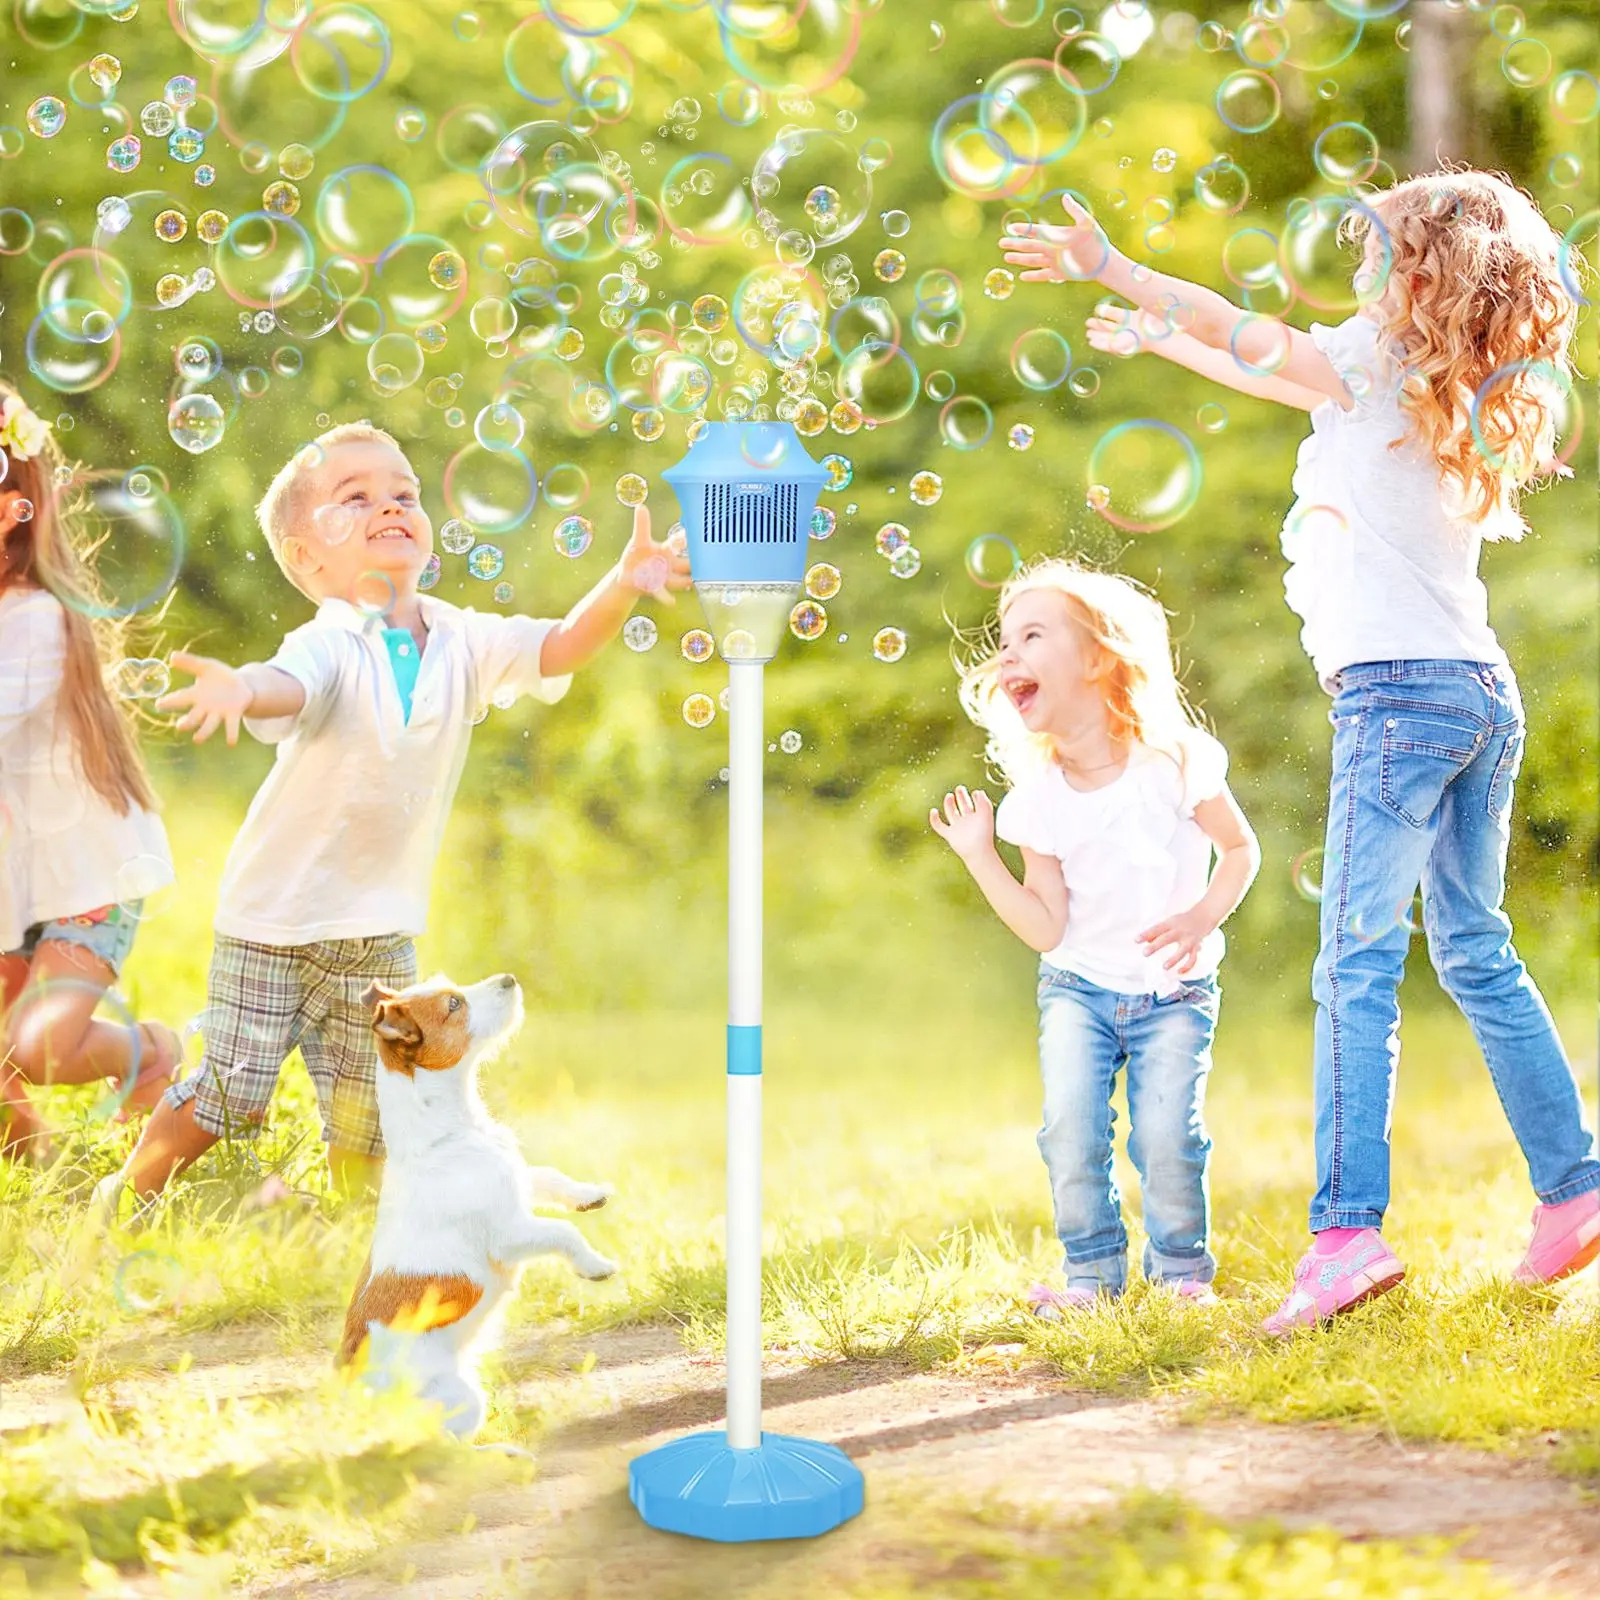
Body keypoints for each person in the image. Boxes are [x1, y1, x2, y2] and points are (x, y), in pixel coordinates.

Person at [1001, 168, 1600, 1331]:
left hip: (1394, 701)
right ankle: (1575, 1191)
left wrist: (1118, 269)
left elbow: (1252, 333)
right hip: (1479, 695)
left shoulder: (1372, 367)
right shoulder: (1431, 385)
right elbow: (1262, 364)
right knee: (1474, 949)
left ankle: (1344, 1233)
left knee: (1354, 966)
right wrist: (1160, 338)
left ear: (1422, 274)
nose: (1360, 267)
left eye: (1379, 251)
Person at [100, 420, 688, 1208]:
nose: (391, 505)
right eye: (357, 496)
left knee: (373, 1115)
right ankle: (123, 1198)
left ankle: (349, 1239)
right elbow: (288, 684)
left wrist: (621, 583)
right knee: (231, 1095)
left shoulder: (461, 638)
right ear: (309, 558)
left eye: (404, 493)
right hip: (276, 916)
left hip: (380, 924)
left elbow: (557, 647)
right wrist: (241, 688)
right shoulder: (330, 641)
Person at [931, 560, 1258, 1311]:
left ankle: (1179, 1275)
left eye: (1032, 635)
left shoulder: (1174, 764)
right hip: (1078, 988)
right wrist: (981, 855)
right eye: (1004, 641)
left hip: (1175, 992)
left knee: (1170, 1139)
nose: (1007, 654)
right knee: (1071, 1135)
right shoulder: (1036, 801)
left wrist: (1202, 916)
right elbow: (1047, 928)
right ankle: (1092, 1279)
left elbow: (1241, 851)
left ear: (1099, 657)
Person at [0, 381, 180, 1160]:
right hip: (17, 882)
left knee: (36, 1051)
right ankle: (36, 1164)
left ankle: (155, 1053)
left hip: (82, 885)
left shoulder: (37, 619)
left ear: (14, 509)